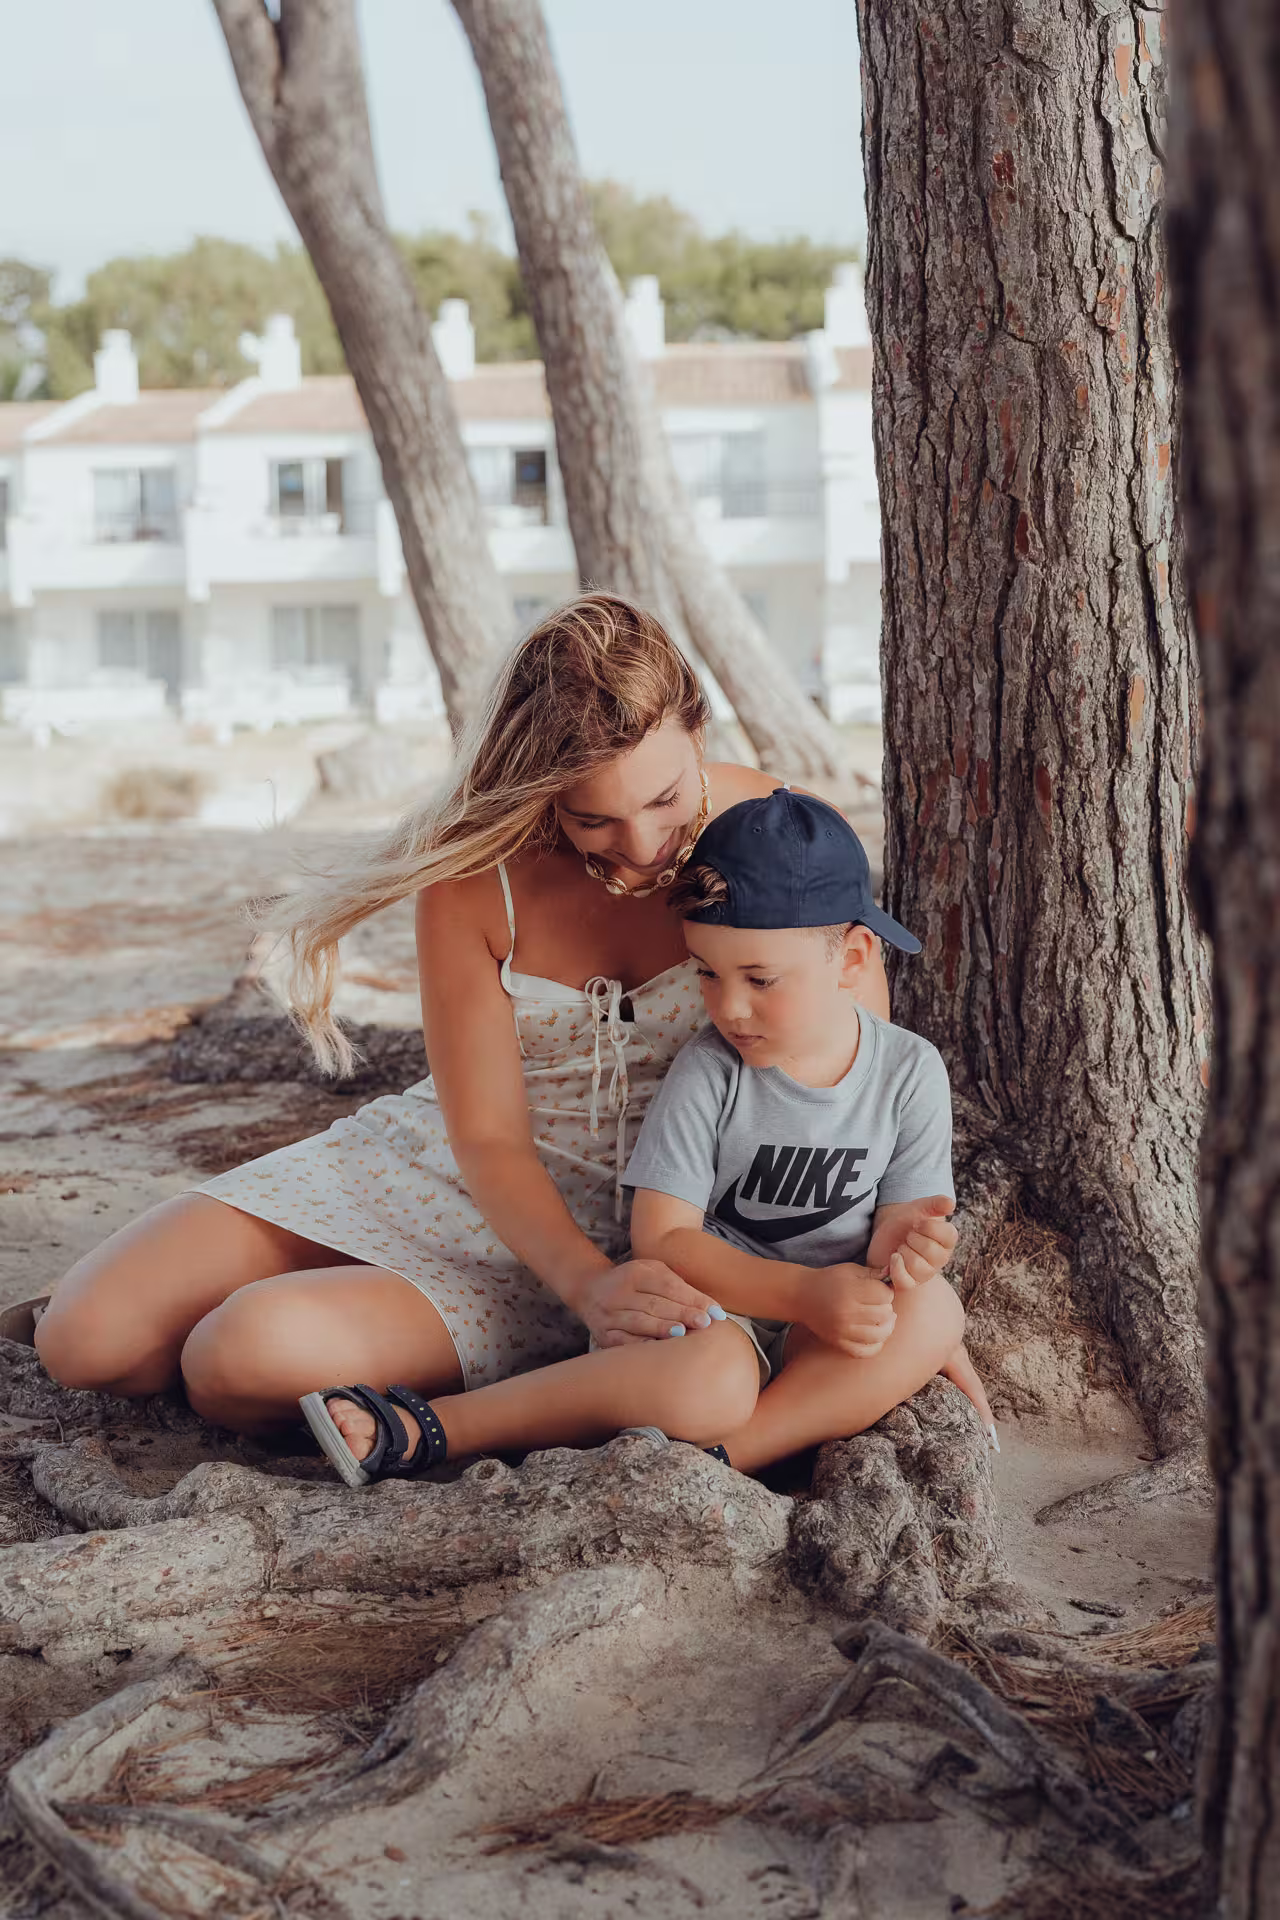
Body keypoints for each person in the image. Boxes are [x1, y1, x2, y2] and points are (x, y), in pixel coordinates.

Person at [34, 595, 896, 1437]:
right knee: (86, 1341)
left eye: (666, 799)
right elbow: (484, 1137)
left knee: (234, 1358)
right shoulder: (476, 876)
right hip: (460, 1177)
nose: (641, 846)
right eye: (593, 817)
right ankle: (293, 1300)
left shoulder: (780, 836)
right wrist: (587, 1285)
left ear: (699, 732)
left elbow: (860, 1078)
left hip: (651, 1237)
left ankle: (398, 1356)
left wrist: (876, 1311)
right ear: (539, 787)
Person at [298, 790, 991, 1486]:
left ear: (853, 958)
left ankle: (729, 1459)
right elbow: (666, 1241)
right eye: (708, 975)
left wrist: (912, 1245)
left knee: (933, 1313)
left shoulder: (908, 1069)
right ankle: (435, 1426)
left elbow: (905, 1216)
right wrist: (805, 1295)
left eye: (761, 979)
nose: (730, 1008)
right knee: (710, 1382)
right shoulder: (710, 1069)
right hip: (712, 1315)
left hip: (833, 1316)